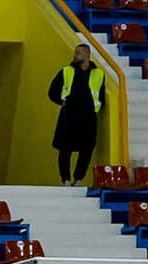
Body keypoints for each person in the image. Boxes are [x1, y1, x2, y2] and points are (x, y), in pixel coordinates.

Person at [49, 43, 103, 186]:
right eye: (75, 53)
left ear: (87, 54)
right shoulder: (66, 71)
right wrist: (62, 102)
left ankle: (78, 178)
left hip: (89, 116)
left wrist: (97, 106)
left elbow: (101, 96)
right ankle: (65, 178)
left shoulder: (99, 74)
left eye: (78, 53)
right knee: (64, 148)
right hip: (69, 115)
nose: (75, 55)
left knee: (87, 149)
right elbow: (52, 91)